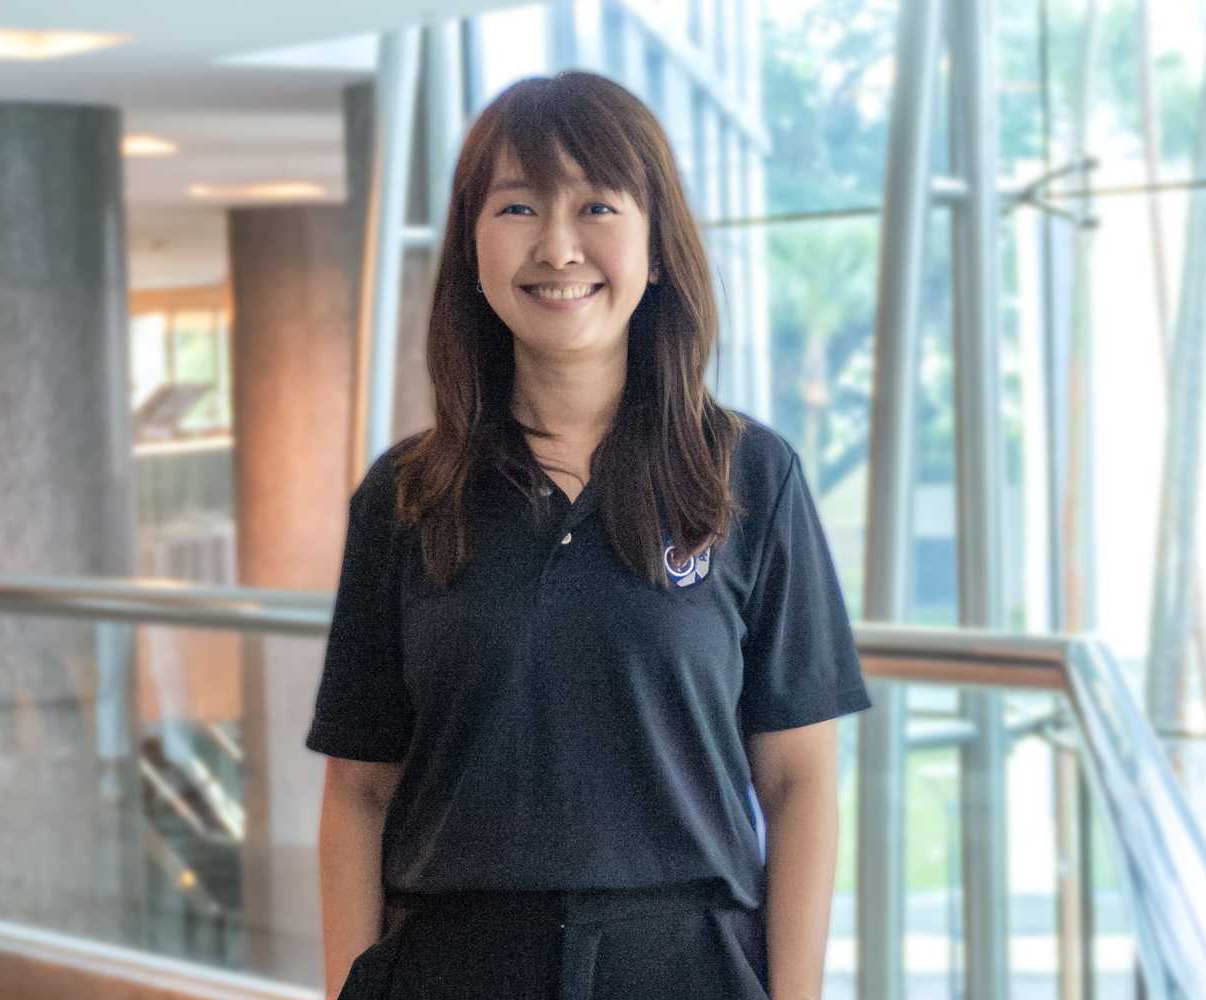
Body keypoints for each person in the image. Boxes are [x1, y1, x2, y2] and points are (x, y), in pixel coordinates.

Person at [307, 69, 871, 1000]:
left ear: (656, 249)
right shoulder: (406, 496)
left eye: (598, 205)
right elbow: (359, 792)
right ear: (473, 248)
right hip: (453, 966)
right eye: (518, 206)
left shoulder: (747, 477)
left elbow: (800, 784)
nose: (558, 246)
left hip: (686, 966)